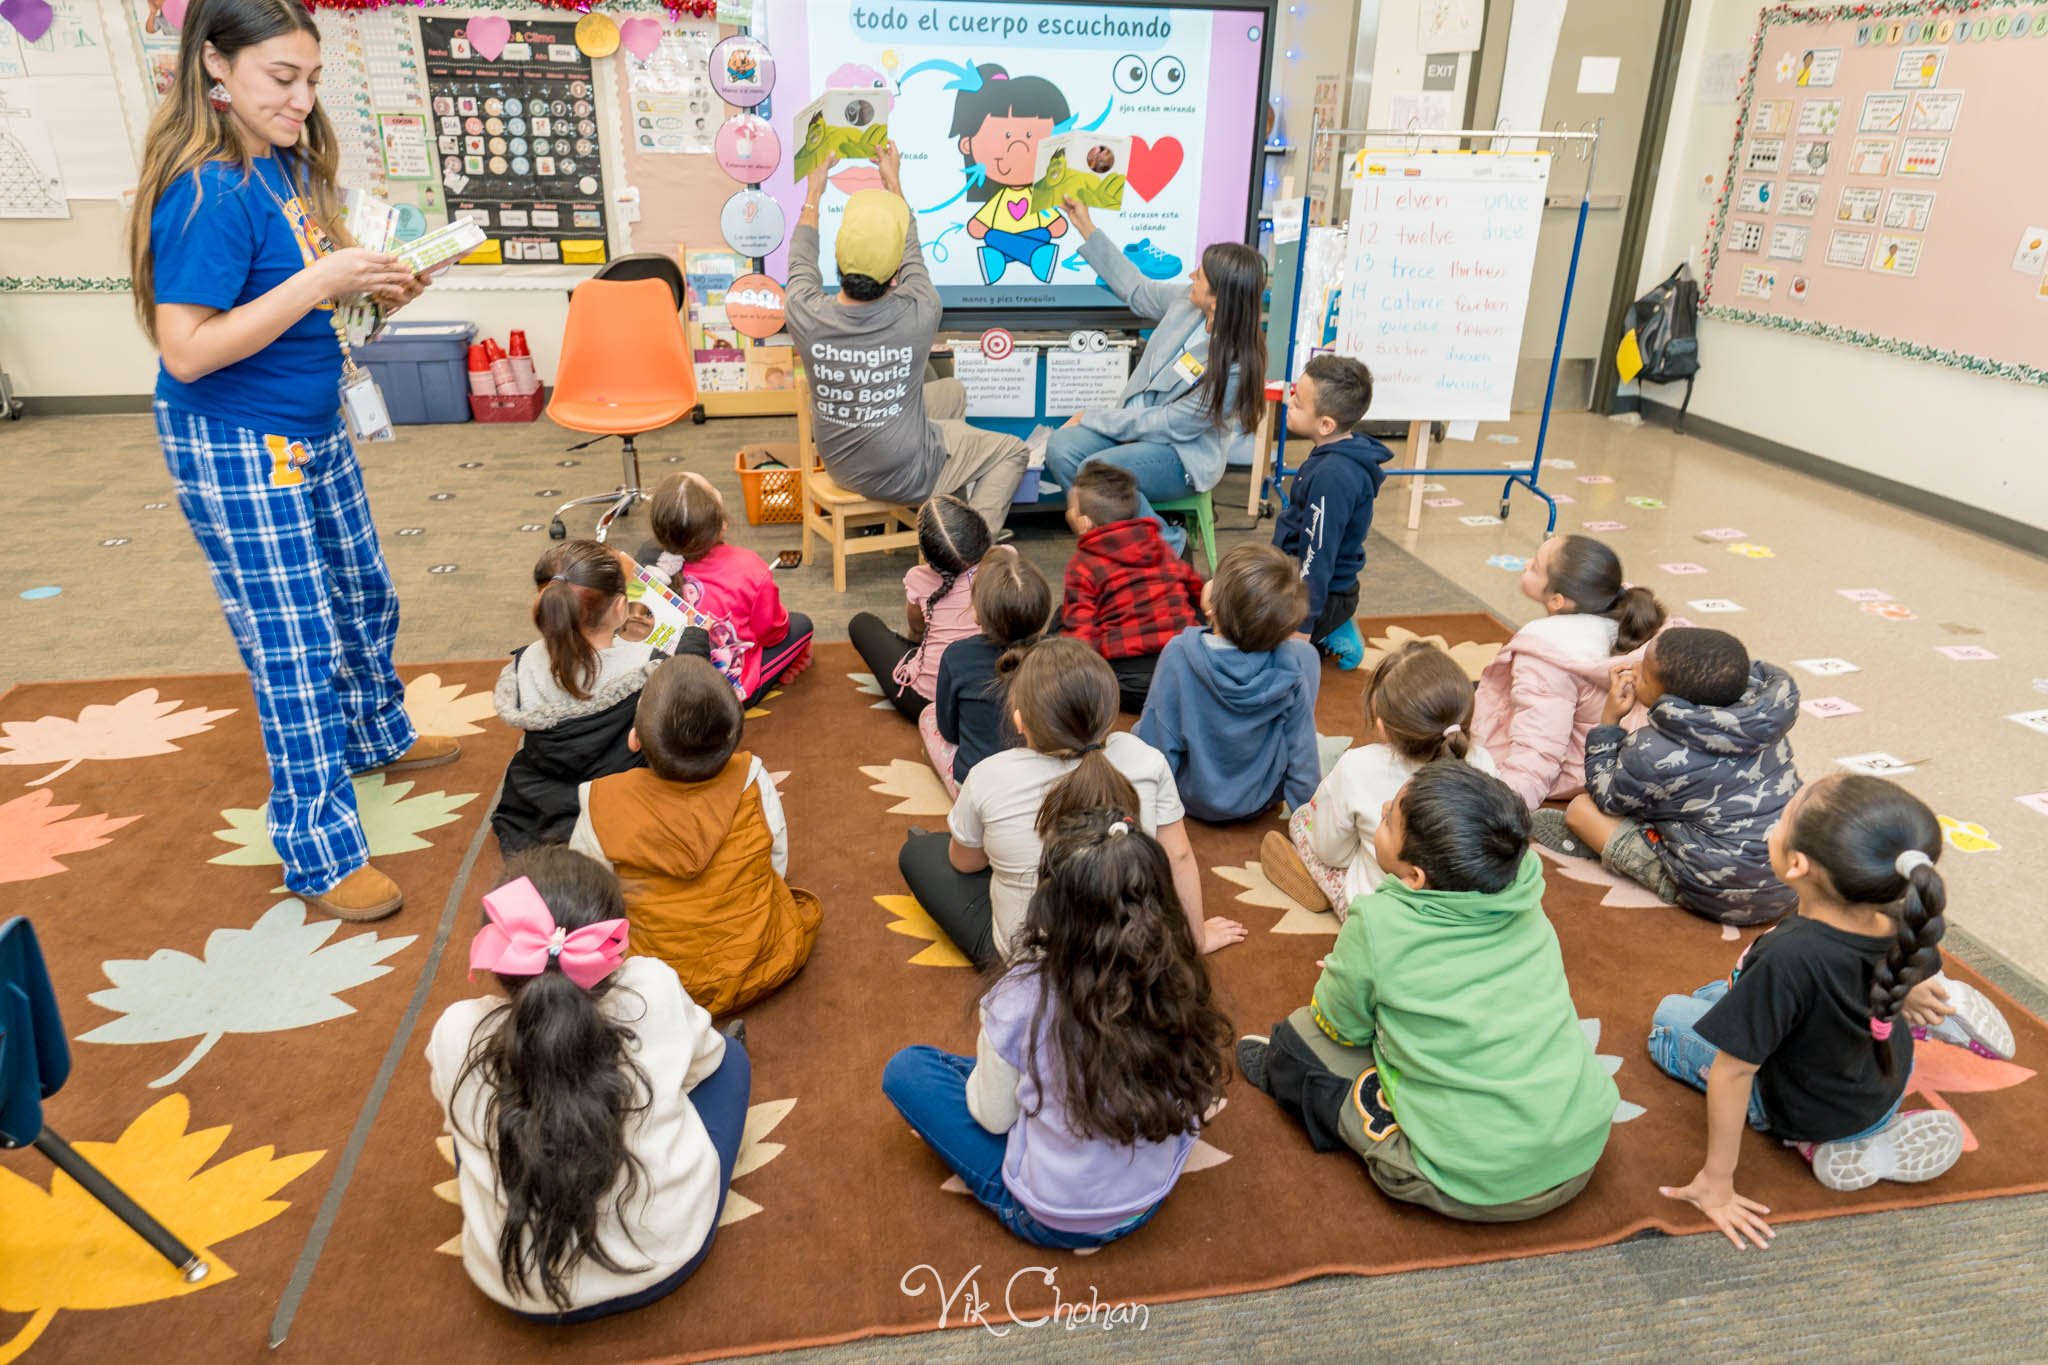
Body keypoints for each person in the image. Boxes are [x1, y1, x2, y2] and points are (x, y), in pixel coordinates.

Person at [129, 0, 453, 921]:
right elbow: (187, 350)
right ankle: (317, 848)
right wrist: (324, 279)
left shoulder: (282, 165)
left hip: (311, 424)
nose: (302, 99)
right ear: (215, 66)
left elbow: (304, 309)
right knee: (295, 644)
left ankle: (374, 731)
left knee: (361, 590)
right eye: (282, 78)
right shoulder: (207, 190)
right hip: (237, 440)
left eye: (311, 79)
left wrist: (373, 291)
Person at [1238, 763, 1618, 1222]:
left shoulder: (1379, 921)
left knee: (1297, 1040)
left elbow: (1341, 1027)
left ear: (1415, 877)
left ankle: (1331, 1104)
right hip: (1581, 1149)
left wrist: (1359, 979)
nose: (1381, 808)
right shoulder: (1525, 892)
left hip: (1468, 1182)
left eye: (1388, 820)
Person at [1650, 776, 2005, 1250]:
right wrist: (1914, 990)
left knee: (1669, 1016)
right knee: (1720, 994)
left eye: (1781, 820)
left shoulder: (1789, 958)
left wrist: (1717, 1182)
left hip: (1805, 1105)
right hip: (1882, 1081)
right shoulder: (1907, 915)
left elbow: (1733, 1074)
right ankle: (1907, 1061)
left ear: (1798, 864)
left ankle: (1814, 1141)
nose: (1773, 825)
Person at [881, 809, 1233, 1249]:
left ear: (1050, 906)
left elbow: (994, 1119)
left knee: (909, 1070)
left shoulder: (1021, 996)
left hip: (1052, 1216)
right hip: (1150, 1195)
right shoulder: (1178, 977)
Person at [428, 848, 750, 1321]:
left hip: (519, 1290)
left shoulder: (456, 1029)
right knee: (731, 1060)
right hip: (666, 1259)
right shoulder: (651, 987)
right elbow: (706, 1064)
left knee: (477, 1120)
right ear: (614, 944)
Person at [897, 638, 1244, 967]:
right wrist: (1194, 939)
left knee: (921, 852)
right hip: (1129, 954)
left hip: (1034, 964)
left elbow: (966, 864)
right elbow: (1179, 856)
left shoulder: (988, 775)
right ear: (1110, 712)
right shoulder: (1145, 758)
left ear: (1019, 720)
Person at [784, 141, 1029, 530]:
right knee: (1013, 451)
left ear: (839, 259)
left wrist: (814, 190)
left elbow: (801, 257)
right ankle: (963, 551)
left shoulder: (805, 311)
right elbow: (914, 253)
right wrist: (893, 182)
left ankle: (943, 520)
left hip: (842, 466)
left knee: (952, 393)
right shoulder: (919, 310)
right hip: (903, 472)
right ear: (895, 271)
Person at [569, 654, 820, 1019]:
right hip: (758, 962)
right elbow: (776, 860)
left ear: (635, 739)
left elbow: (589, 898)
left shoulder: (602, 802)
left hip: (656, 987)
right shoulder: (751, 776)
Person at [1041, 195, 1266, 554]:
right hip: (1132, 428)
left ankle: (1167, 549)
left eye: (1200, 276)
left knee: (1100, 470)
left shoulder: (1237, 363)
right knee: (1061, 447)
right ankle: (1118, 543)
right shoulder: (1186, 302)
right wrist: (1084, 224)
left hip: (1180, 453)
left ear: (1218, 298)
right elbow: (1137, 288)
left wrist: (1096, 417)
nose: (1191, 276)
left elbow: (1174, 424)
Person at [1546, 628, 1802, 927]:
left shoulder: (1651, 750)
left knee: (1581, 810)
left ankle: (1664, 880)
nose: (1634, 669)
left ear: (1670, 698)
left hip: (1723, 896)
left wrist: (1609, 722)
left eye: (1644, 675)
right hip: (1793, 882)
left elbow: (1606, 797)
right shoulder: (1763, 723)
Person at [1262, 639, 1498, 918]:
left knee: (1303, 819)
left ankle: (1330, 887)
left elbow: (1330, 852)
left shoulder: (1358, 765)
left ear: (1382, 726)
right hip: (1464, 909)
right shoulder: (1483, 762)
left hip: (1379, 911)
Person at [1471, 534, 1665, 810]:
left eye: (1535, 567)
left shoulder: (1546, 657)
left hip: (1578, 769)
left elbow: (1538, 750)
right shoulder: (1629, 614)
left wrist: (1499, 811)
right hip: (1630, 753)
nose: (1526, 563)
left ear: (1557, 601)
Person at [1135, 543, 1320, 824]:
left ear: (1214, 608)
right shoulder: (1291, 663)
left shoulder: (1178, 653)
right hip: (1260, 799)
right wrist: (1308, 824)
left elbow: (1157, 744)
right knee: (1307, 655)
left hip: (1190, 797)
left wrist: (1148, 817)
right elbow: (1302, 753)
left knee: (1142, 729)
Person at [492, 542, 658, 853]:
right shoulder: (647, 662)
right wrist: (695, 638)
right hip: (618, 793)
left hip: (541, 801)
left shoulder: (523, 662)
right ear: (620, 608)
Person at [643, 471, 812, 708]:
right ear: (721, 524)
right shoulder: (749, 566)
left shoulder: (650, 564)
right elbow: (773, 633)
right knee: (801, 624)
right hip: (724, 695)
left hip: (665, 686)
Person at [1268, 355, 1392, 669]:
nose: (1289, 404)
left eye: (1298, 403)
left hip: (1317, 593)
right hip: (1297, 578)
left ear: (1326, 424)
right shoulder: (1332, 451)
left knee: (1252, 648)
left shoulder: (1333, 477)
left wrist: (1302, 626)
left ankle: (1334, 624)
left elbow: (1317, 556)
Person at [1060, 463, 1206, 713]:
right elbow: (1197, 589)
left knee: (1062, 622)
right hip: (1181, 670)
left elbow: (1081, 634)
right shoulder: (1159, 546)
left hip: (1127, 682)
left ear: (1084, 522)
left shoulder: (1085, 564)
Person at [921, 546, 1051, 798]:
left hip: (978, 790)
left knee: (928, 715)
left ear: (978, 613)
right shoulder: (1062, 654)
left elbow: (949, 731)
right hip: (1045, 788)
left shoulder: (957, 656)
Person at [846, 495, 989, 721]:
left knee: (861, 623)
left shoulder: (918, 577)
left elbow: (916, 631)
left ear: (926, 553)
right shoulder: (1005, 559)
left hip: (926, 702)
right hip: (992, 698)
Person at [947, 65, 1071, 284]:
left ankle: (1000, 257)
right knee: (1040, 236)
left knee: (994, 237)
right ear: (967, 144)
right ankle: (1035, 256)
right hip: (1035, 239)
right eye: (1007, 136)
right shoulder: (1000, 198)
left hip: (1013, 237)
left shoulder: (1038, 196)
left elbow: (1057, 225)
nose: (1020, 149)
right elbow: (976, 226)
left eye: (1031, 136)